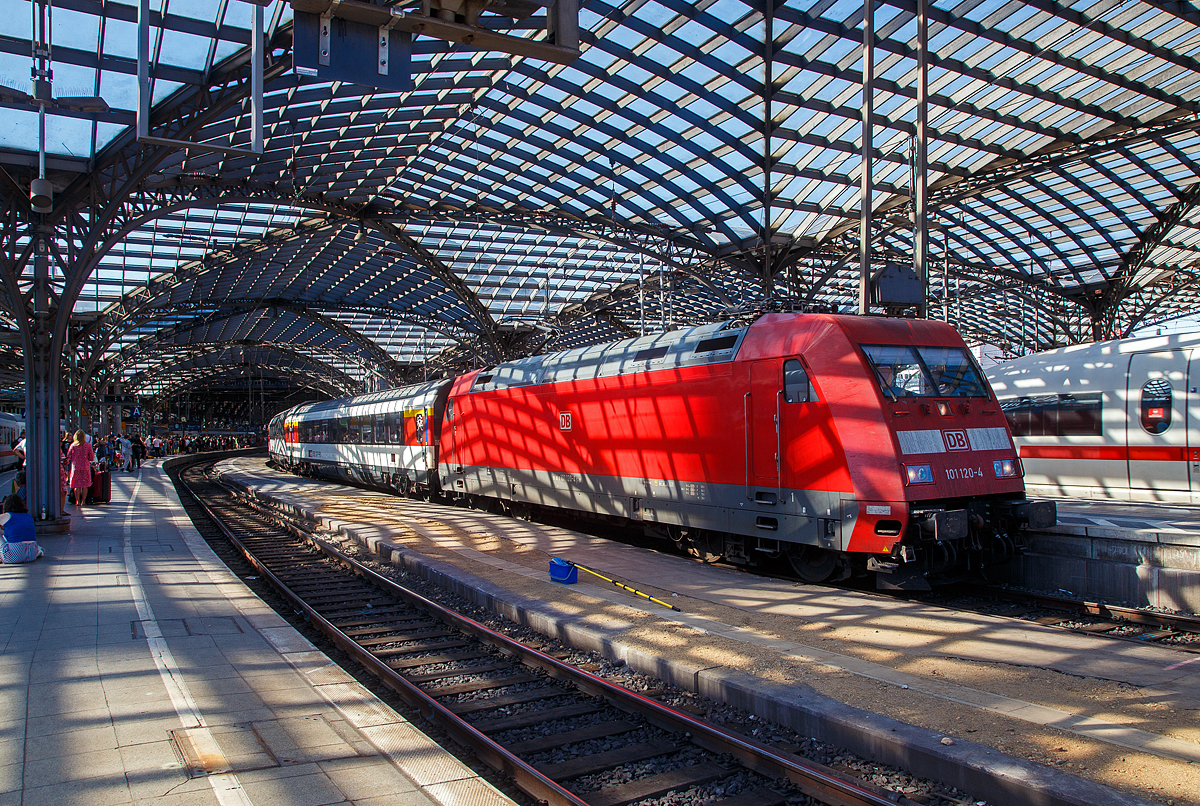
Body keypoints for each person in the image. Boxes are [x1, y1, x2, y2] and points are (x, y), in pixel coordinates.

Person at [0, 494, 42, 563]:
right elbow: (15, 533)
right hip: (31, 554)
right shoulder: (28, 516)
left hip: (14, 556)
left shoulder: (6, 516)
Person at [65, 430, 95, 508]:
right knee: (85, 485)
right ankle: (83, 501)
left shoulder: (73, 445)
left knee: (76, 485)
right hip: (85, 466)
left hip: (75, 467)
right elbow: (91, 457)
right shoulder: (88, 445)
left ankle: (77, 501)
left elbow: (69, 456)